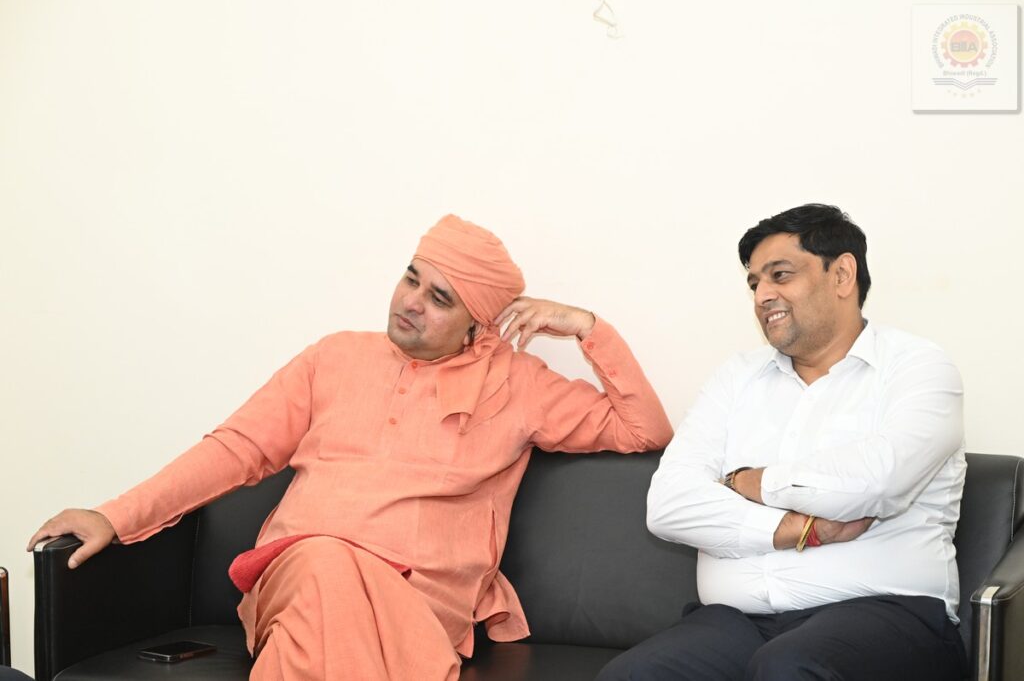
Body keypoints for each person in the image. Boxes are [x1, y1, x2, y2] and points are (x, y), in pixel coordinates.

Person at [28, 214, 673, 681]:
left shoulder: (518, 385)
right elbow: (235, 449)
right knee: (325, 562)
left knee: (315, 620)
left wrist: (587, 327)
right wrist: (115, 515)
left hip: (416, 605)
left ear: (479, 327)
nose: (411, 303)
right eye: (411, 279)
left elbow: (644, 429)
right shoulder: (334, 357)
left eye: (439, 299)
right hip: (299, 577)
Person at [597, 204, 967, 681]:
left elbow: (876, 483)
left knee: (788, 667)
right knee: (630, 675)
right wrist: (796, 529)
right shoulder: (736, 377)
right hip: (738, 621)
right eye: (755, 283)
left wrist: (749, 482)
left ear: (842, 275)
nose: (762, 295)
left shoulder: (918, 367)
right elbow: (668, 506)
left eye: (780, 275)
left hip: (885, 611)